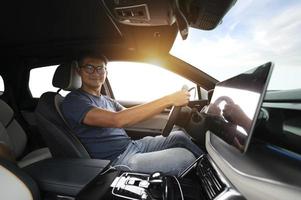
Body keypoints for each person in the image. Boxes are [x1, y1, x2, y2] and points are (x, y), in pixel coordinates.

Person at [61, 53, 203, 175]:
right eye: (89, 68)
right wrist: (168, 99)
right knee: (185, 158)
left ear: (106, 73)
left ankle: (215, 169)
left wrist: (171, 104)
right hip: (117, 160)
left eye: (100, 68)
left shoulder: (107, 100)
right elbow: (117, 120)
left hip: (132, 146)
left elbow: (130, 116)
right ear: (79, 71)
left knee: (180, 136)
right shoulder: (74, 101)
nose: (95, 73)